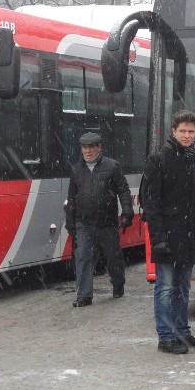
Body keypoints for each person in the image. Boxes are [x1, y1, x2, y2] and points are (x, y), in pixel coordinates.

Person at [141, 111, 195, 354]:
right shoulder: (159, 160)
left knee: (182, 286)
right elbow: (151, 203)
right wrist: (158, 238)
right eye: (182, 130)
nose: (186, 135)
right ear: (173, 131)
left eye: (191, 131)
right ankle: (165, 335)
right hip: (169, 236)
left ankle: (181, 331)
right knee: (165, 286)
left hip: (189, 234)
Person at [65, 132, 133, 308]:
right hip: (83, 222)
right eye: (85, 147)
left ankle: (118, 283)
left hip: (107, 222)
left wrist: (127, 213)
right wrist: (70, 221)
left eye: (92, 147)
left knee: (113, 257)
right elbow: (71, 198)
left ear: (99, 147)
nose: (88, 151)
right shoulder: (76, 169)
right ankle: (84, 295)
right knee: (83, 257)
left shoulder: (112, 166)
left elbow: (123, 191)